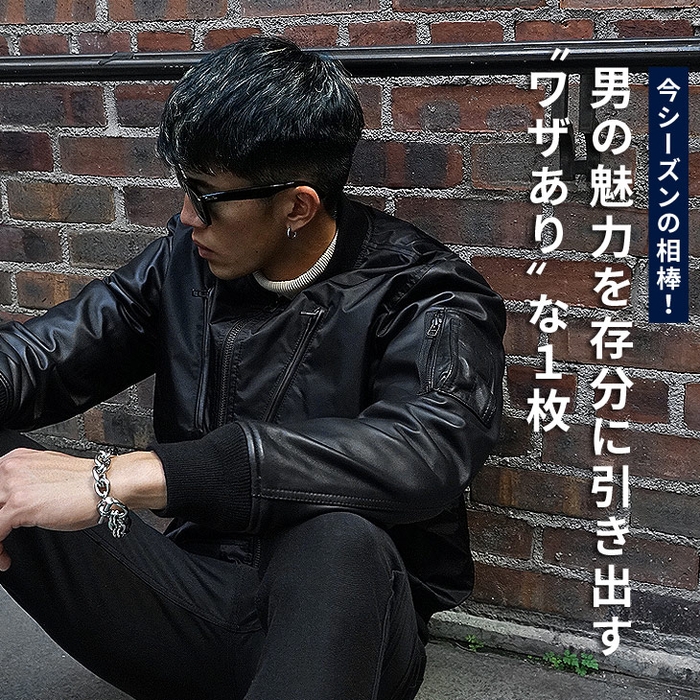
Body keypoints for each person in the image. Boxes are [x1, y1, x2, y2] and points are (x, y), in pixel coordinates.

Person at [0, 36, 505, 700]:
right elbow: (42, 357)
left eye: (207, 195)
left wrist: (125, 475)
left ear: (297, 205)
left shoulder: (428, 295)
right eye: (185, 187)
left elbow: (424, 449)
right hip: (191, 601)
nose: (187, 216)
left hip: (346, 633)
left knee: (337, 536)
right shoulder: (183, 262)